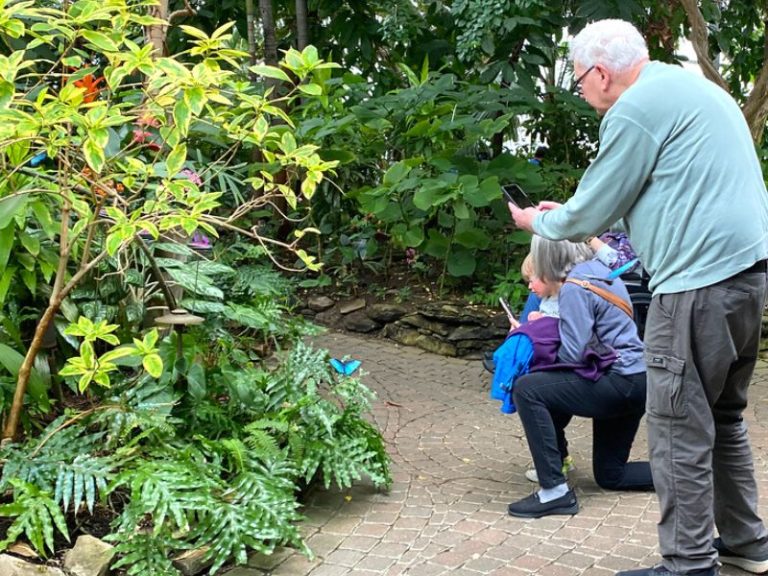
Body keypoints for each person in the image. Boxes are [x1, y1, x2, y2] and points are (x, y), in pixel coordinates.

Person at [509, 19, 768, 576]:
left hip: (695, 283)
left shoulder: (634, 108)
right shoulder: (690, 88)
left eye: (578, 80)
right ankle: (747, 543)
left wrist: (541, 222)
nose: (581, 93)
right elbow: (651, 192)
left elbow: (594, 208)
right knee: (723, 416)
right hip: (746, 276)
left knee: (677, 423)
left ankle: (687, 563)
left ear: (601, 73)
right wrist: (573, 216)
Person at [506, 236, 652, 519]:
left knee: (528, 389)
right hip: (638, 379)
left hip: (617, 380)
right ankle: (687, 474)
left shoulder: (573, 286)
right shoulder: (599, 268)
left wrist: (529, 335)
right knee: (612, 474)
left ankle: (554, 492)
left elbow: (572, 354)